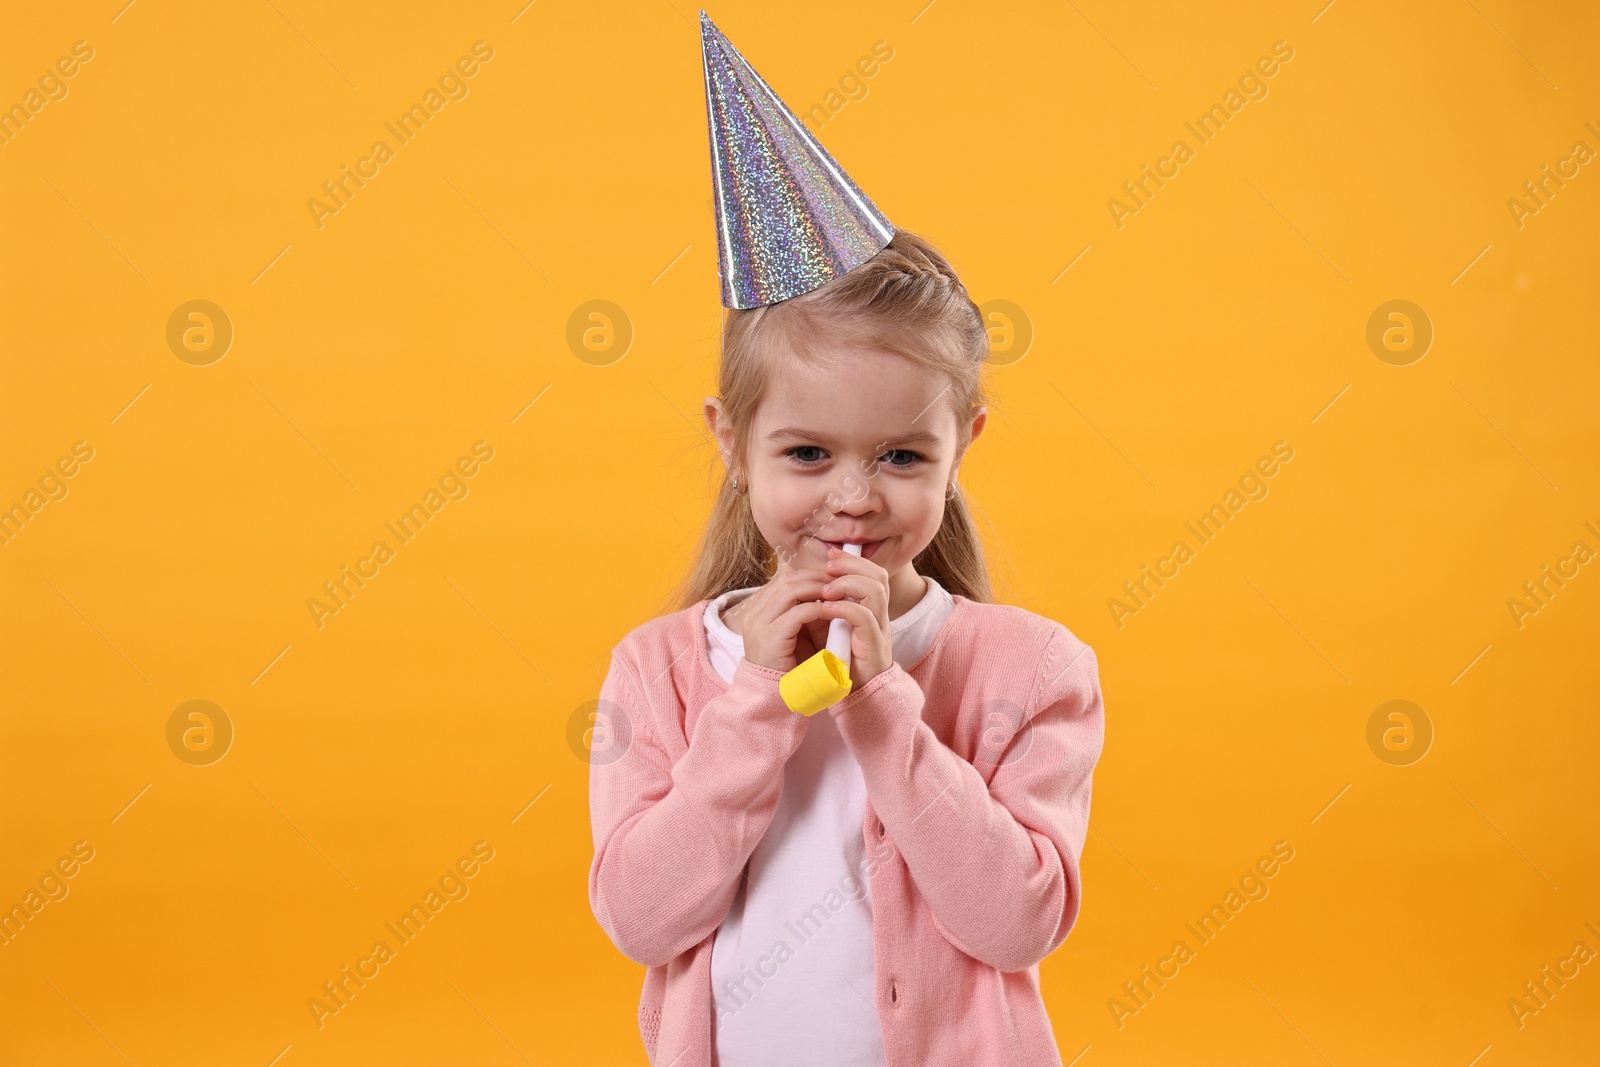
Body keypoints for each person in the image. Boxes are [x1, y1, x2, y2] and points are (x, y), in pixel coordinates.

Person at [586, 13, 1104, 1066]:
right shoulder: (660, 670)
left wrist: (880, 708)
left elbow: (1019, 920)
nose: (854, 499)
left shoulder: (1034, 668)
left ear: (964, 443)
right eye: (809, 454)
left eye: (903, 457)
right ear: (733, 442)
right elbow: (640, 919)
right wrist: (758, 705)